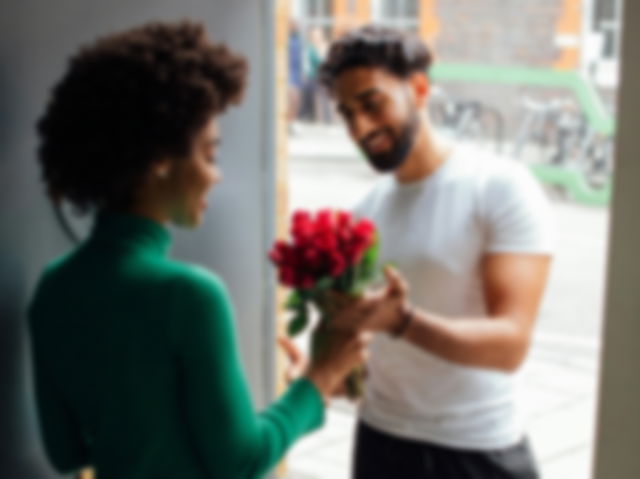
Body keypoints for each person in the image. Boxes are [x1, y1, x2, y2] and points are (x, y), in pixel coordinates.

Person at [27, 20, 367, 479]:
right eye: (209, 155)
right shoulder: (189, 295)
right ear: (160, 158)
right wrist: (320, 377)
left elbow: (65, 453)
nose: (216, 175)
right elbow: (241, 461)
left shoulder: (54, 287)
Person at [320, 26, 554, 478]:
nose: (360, 128)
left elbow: (511, 344)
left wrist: (403, 322)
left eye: (372, 104)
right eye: (347, 114)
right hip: (381, 442)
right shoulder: (363, 212)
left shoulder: (500, 187)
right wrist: (329, 367)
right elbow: (362, 338)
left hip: (475, 448)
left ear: (420, 89)